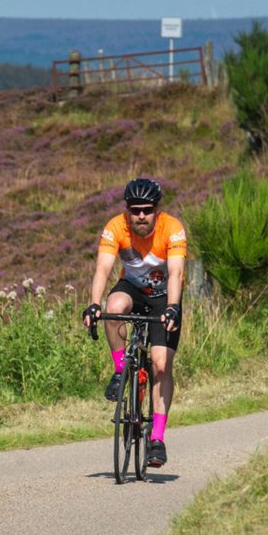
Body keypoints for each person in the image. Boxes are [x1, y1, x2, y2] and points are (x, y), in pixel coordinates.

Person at [81, 177, 187, 468]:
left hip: (164, 298)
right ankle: (120, 371)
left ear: (157, 210)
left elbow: (176, 273)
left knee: (160, 365)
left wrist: (174, 309)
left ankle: (157, 438)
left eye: (147, 210)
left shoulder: (173, 228)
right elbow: (103, 267)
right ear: (127, 209)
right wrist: (93, 302)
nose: (141, 215)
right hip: (133, 290)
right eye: (135, 209)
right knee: (112, 307)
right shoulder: (116, 227)